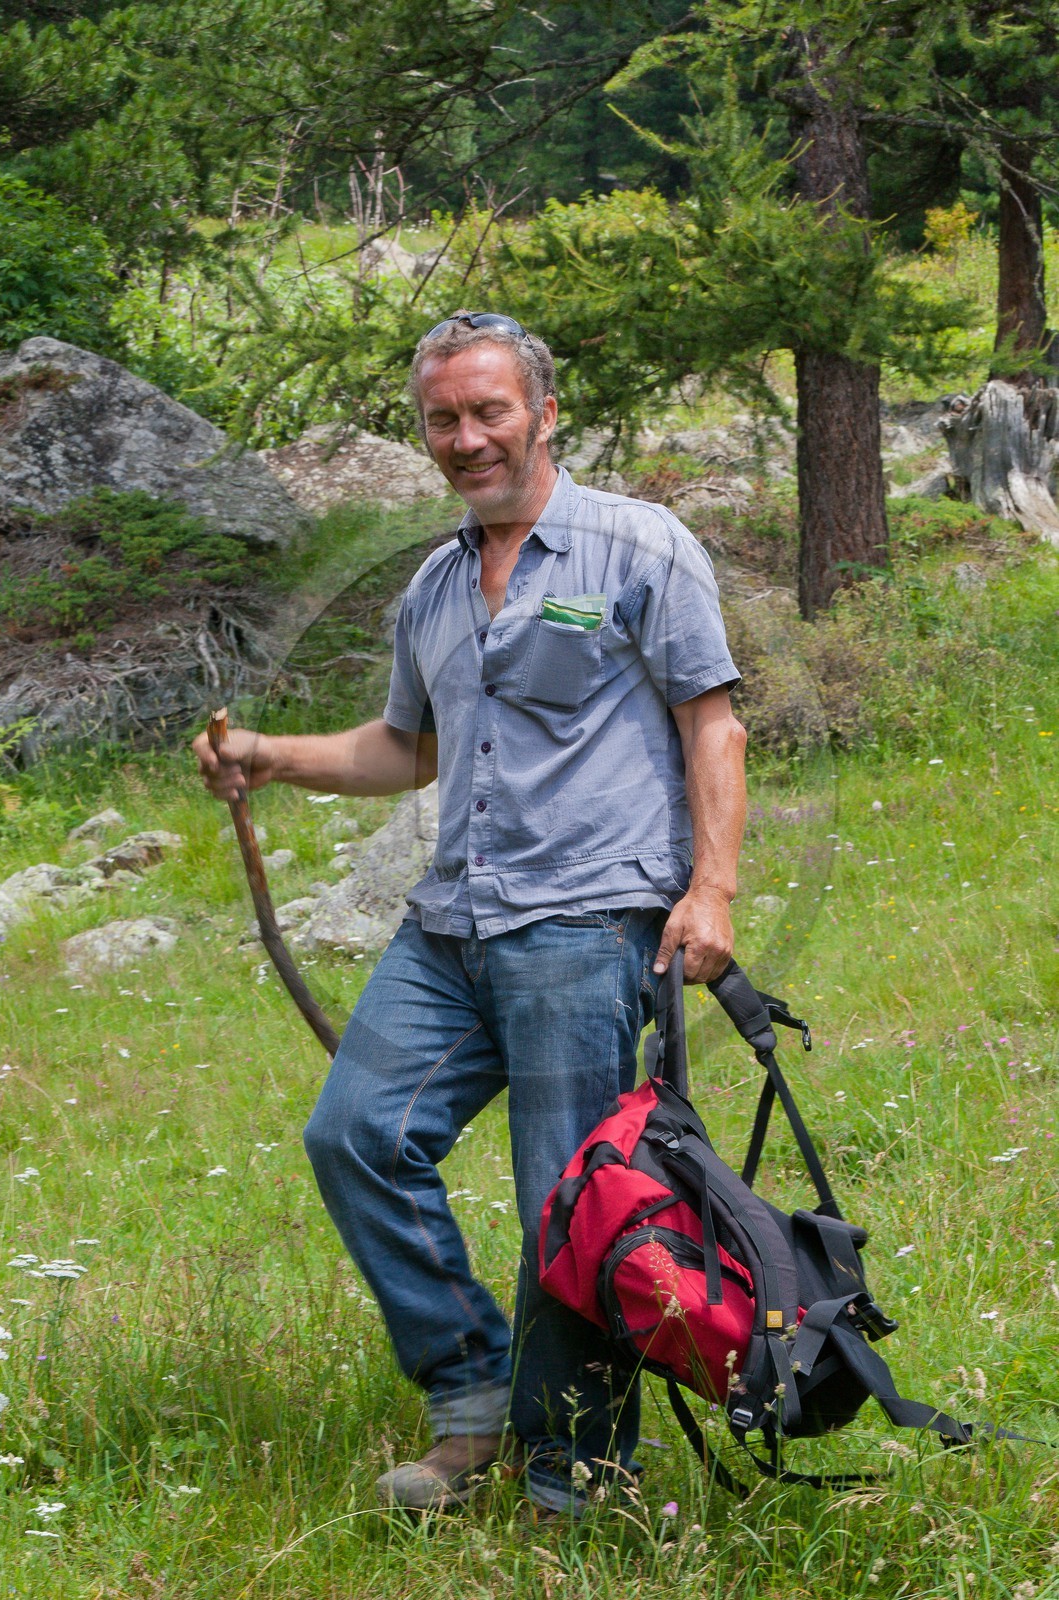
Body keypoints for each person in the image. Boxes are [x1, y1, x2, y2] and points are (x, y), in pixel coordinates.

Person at [193, 310, 746, 1516]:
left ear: (543, 411)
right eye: (442, 418)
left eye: (488, 410)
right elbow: (409, 748)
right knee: (355, 1135)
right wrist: (272, 755)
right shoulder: (434, 584)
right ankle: (471, 1396)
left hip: (585, 923)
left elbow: (712, 723)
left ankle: (574, 1474)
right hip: (450, 927)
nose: (466, 436)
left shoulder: (637, 546)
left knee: (570, 1202)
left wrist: (709, 890)